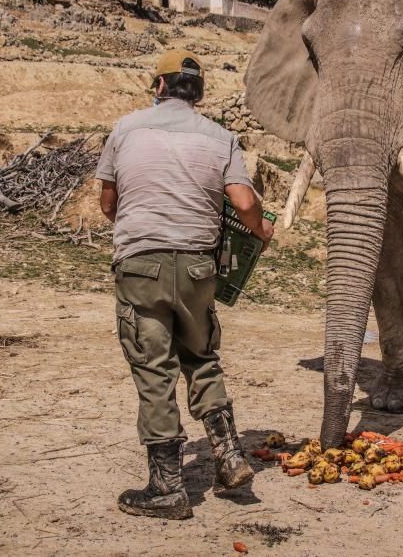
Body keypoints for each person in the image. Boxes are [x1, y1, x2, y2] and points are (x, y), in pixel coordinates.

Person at [96, 49, 274, 520]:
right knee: (201, 357)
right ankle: (229, 456)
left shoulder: (125, 128)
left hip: (141, 267)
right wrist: (262, 230)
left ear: (160, 87)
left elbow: (109, 205)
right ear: (198, 93)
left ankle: (167, 488)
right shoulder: (221, 137)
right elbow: (241, 199)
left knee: (155, 369)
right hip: (199, 269)